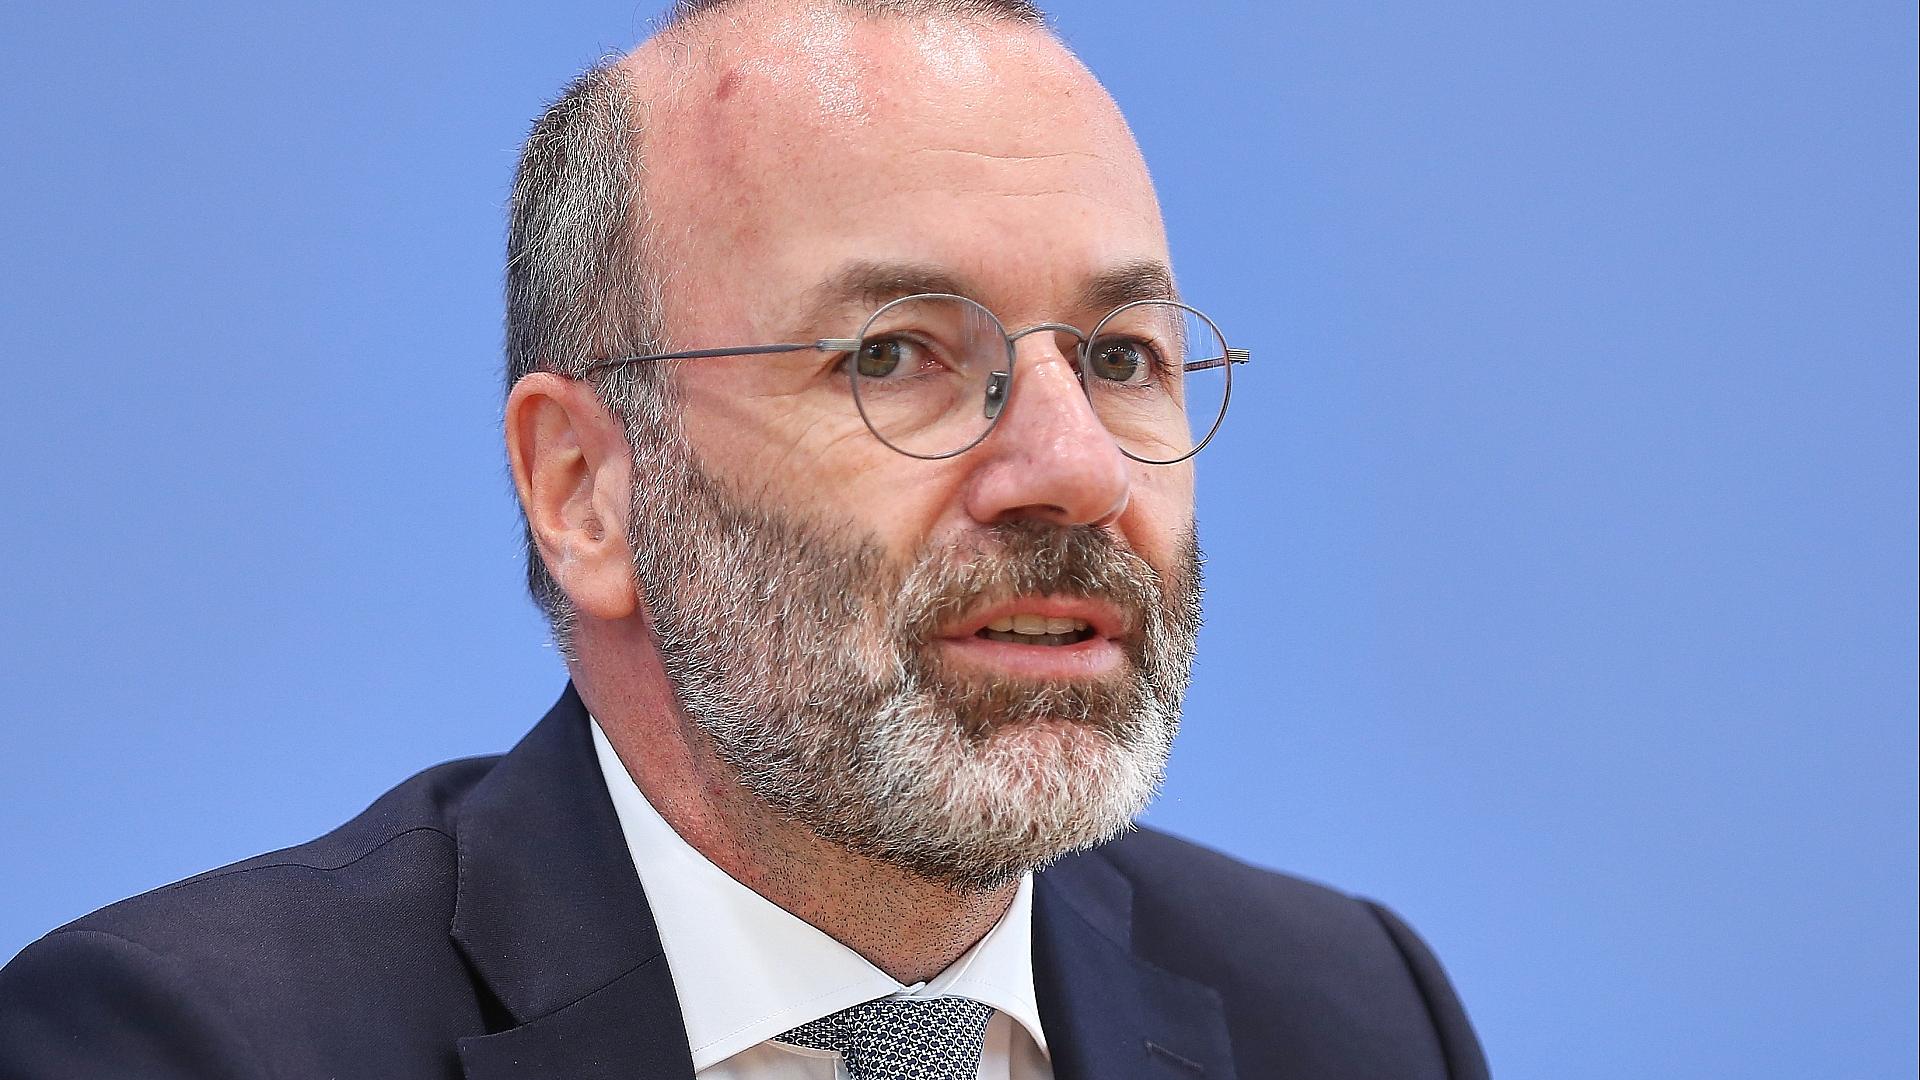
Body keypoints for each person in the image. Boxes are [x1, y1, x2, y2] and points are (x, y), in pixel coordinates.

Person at [0, 1, 1488, 1076]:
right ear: (585, 489)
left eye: (1120, 358)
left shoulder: (1355, 1019)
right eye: (896, 354)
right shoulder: (187, 1044)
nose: (1076, 470)